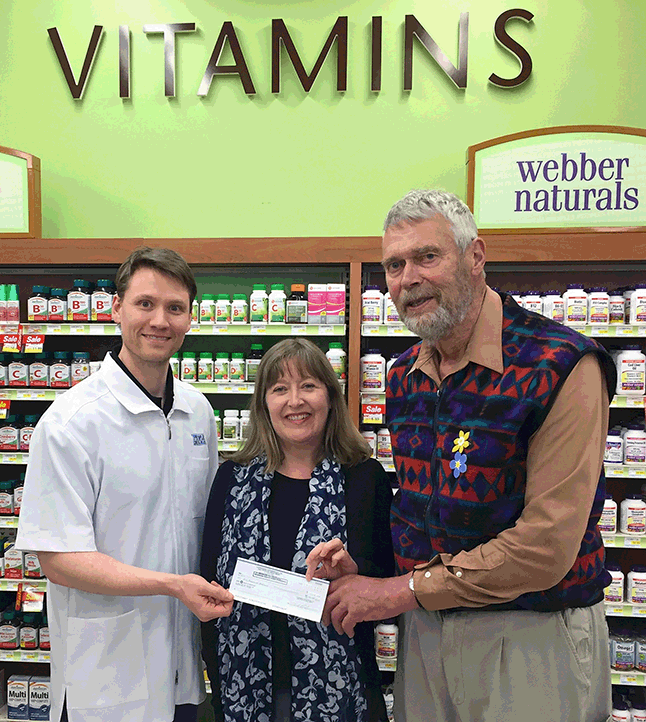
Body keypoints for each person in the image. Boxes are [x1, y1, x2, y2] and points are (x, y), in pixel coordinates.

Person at [314, 190, 617, 722]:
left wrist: (400, 590)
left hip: (531, 637)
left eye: (427, 257)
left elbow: (545, 547)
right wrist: (367, 568)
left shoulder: (561, 364)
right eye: (394, 264)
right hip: (426, 634)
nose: (408, 278)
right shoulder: (403, 376)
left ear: (476, 258)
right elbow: (426, 512)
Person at [16, 247, 234, 722]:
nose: (160, 321)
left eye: (175, 308)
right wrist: (172, 586)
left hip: (183, 669)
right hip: (108, 674)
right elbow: (59, 560)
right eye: (145, 304)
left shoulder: (197, 411)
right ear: (116, 308)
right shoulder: (72, 422)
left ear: (190, 319)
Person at [200, 338, 394, 722]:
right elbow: (210, 583)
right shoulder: (232, 478)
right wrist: (221, 686)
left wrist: (353, 576)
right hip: (245, 685)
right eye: (279, 389)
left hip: (342, 689)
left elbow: (384, 582)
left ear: (330, 397)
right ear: (263, 404)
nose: (295, 401)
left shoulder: (364, 478)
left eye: (308, 385)